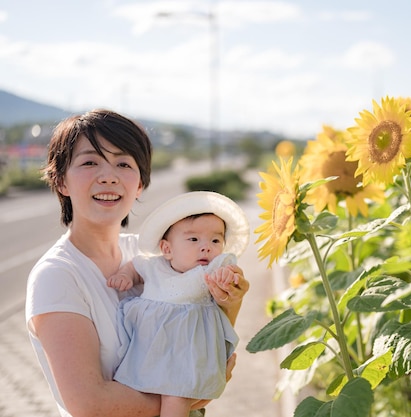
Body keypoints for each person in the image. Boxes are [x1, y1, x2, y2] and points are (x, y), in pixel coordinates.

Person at [25, 109, 250, 417]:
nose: (109, 176)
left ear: (141, 184)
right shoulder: (57, 276)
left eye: (123, 163)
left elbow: (198, 327)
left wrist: (231, 299)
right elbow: (90, 404)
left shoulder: (151, 254)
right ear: (61, 180)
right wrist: (190, 396)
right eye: (90, 162)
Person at [106, 191, 250, 417]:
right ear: (167, 249)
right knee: (140, 387)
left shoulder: (212, 269)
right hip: (151, 349)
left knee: (177, 394)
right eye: (194, 239)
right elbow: (135, 267)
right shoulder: (154, 266)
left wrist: (228, 277)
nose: (206, 247)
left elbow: (231, 272)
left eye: (215, 240)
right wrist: (126, 276)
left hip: (188, 353)